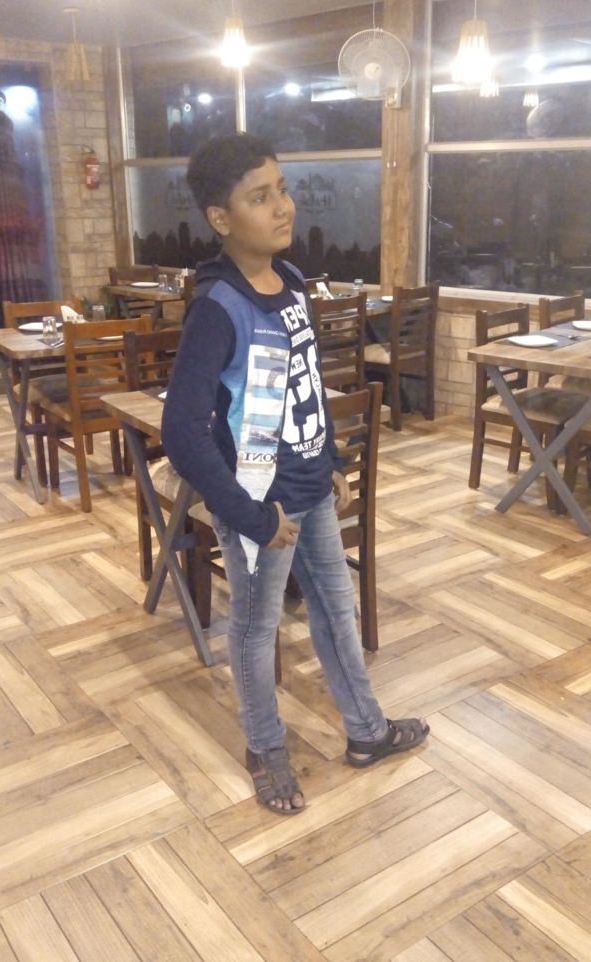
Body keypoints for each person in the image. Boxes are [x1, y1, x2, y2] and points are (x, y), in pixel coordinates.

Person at [162, 133, 429, 815]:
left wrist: (330, 458)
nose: (282, 207)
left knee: (337, 612)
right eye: (260, 197)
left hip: (310, 487)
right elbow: (183, 433)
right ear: (221, 219)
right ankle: (265, 749)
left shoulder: (291, 283)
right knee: (257, 631)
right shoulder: (217, 307)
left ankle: (366, 731)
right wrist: (250, 516)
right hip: (260, 506)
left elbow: (304, 381)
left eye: (281, 189)